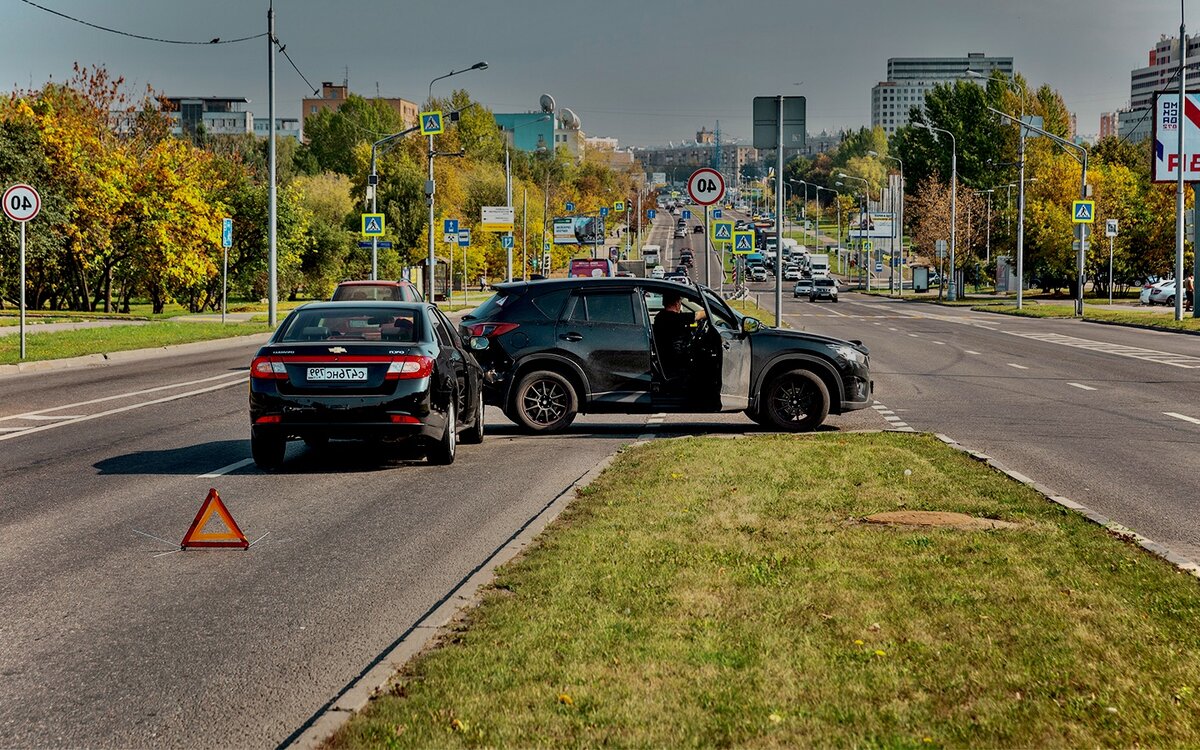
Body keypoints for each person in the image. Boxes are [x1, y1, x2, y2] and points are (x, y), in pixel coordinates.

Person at [653, 291, 706, 380]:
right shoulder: (675, 318)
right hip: (674, 362)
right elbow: (699, 315)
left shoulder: (660, 317)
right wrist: (710, 310)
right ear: (677, 303)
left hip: (667, 358)